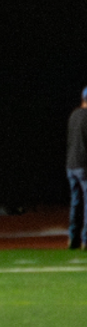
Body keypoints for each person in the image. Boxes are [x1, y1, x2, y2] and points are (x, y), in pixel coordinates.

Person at [67, 87, 87, 250]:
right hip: (83, 165)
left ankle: (73, 239)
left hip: (71, 164)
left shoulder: (74, 115)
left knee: (76, 202)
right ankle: (86, 239)